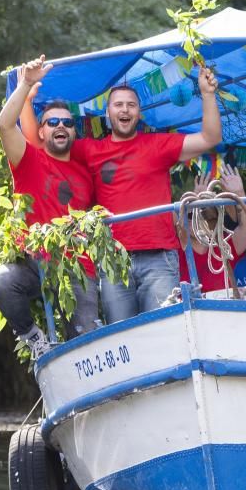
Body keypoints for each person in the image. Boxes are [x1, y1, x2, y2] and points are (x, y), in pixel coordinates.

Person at [64, 60, 223, 322]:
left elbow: (210, 138)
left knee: (163, 331)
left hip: (159, 258)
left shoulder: (158, 145)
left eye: (131, 105)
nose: (125, 109)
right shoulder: (89, 150)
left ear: (139, 113)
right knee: (123, 335)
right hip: (113, 259)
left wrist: (207, 94)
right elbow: (44, 150)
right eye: (118, 104)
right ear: (108, 113)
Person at [0, 56, 99, 358]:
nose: (61, 126)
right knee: (2, 281)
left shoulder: (84, 175)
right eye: (53, 122)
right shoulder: (28, 161)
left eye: (67, 122)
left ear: (74, 132)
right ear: (41, 131)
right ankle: (35, 339)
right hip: (34, 263)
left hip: (78, 268)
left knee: (87, 342)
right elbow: (3, 124)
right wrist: (25, 84)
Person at [176, 165, 246, 293]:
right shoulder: (174, 251)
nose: (195, 219)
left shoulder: (225, 244)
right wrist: (195, 201)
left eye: (204, 215)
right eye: (190, 214)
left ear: (216, 220)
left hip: (222, 310)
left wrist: (239, 193)